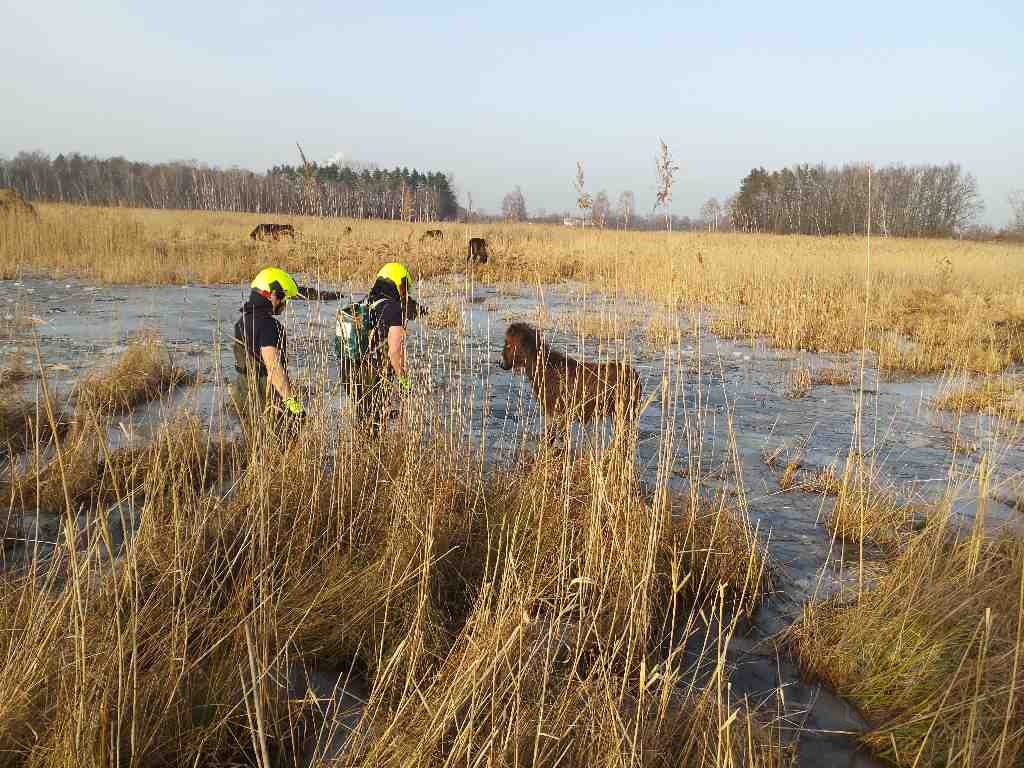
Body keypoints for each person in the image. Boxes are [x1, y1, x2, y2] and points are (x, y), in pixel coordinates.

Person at [344, 262, 425, 429]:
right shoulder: (394, 309)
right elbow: (394, 353)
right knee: (374, 427)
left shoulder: (365, 303)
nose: (405, 293)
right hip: (371, 374)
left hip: (349, 372)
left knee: (365, 422)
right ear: (398, 284)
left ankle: (362, 450)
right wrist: (404, 381)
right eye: (404, 287)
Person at [232, 267, 306, 428]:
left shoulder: (242, 321)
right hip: (264, 397)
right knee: (279, 445)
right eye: (284, 298)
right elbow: (273, 367)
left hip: (243, 393)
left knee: (254, 445)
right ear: (272, 294)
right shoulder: (269, 325)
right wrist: (292, 404)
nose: (285, 304)